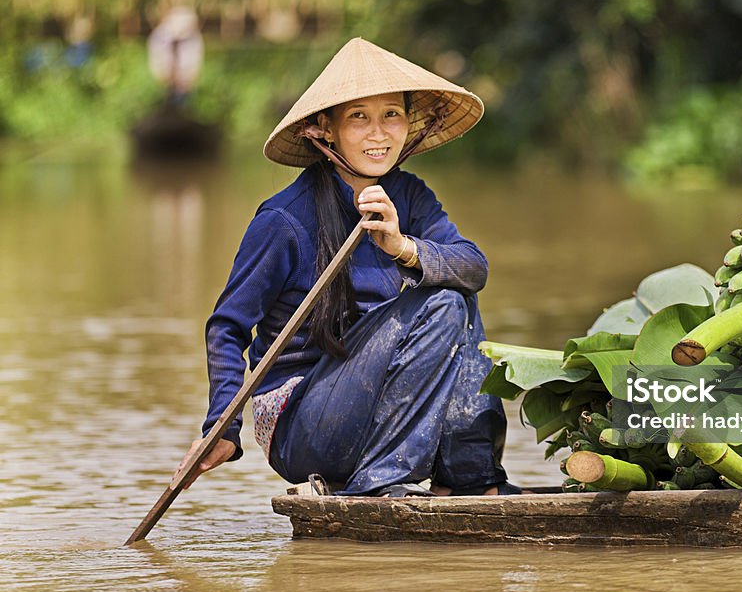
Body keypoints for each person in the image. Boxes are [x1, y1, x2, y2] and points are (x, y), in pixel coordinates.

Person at [178, 37, 517, 497]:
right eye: (359, 117)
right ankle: (376, 488)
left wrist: (403, 247)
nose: (378, 134)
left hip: (374, 413)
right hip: (301, 424)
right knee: (442, 303)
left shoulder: (410, 195)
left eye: (391, 115)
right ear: (326, 130)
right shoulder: (284, 220)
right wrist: (222, 427)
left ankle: (472, 482)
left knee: (456, 292)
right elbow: (227, 327)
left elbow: (473, 266)